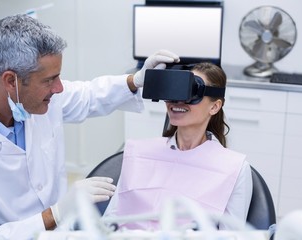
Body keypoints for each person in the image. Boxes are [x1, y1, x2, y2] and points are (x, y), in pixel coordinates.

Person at [0, 14, 180, 239]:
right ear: (10, 81)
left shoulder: (30, 97)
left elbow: (89, 95)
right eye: (49, 80)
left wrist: (136, 80)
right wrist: (54, 214)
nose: (58, 88)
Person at [103, 62, 253, 230]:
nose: (178, 101)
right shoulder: (139, 154)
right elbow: (110, 221)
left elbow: (232, 236)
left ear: (215, 106)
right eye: (175, 89)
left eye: (192, 91)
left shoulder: (234, 169)